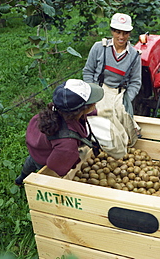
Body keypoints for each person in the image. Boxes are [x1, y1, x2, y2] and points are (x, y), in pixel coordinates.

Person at [15, 79, 104, 185]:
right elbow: (56, 167)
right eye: (92, 103)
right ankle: (25, 180)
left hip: (37, 147)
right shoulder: (67, 142)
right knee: (40, 168)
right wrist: (73, 162)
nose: (95, 103)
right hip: (45, 157)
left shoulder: (57, 109)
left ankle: (21, 177)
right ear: (81, 110)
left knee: (31, 161)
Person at [82, 13, 142, 146]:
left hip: (119, 92)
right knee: (99, 112)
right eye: (118, 32)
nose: (121, 37)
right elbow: (88, 71)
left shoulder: (134, 55)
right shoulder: (99, 48)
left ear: (129, 34)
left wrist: (126, 98)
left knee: (122, 115)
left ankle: (118, 145)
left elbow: (136, 82)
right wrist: (92, 91)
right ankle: (97, 143)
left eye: (125, 33)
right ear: (112, 31)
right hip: (99, 88)